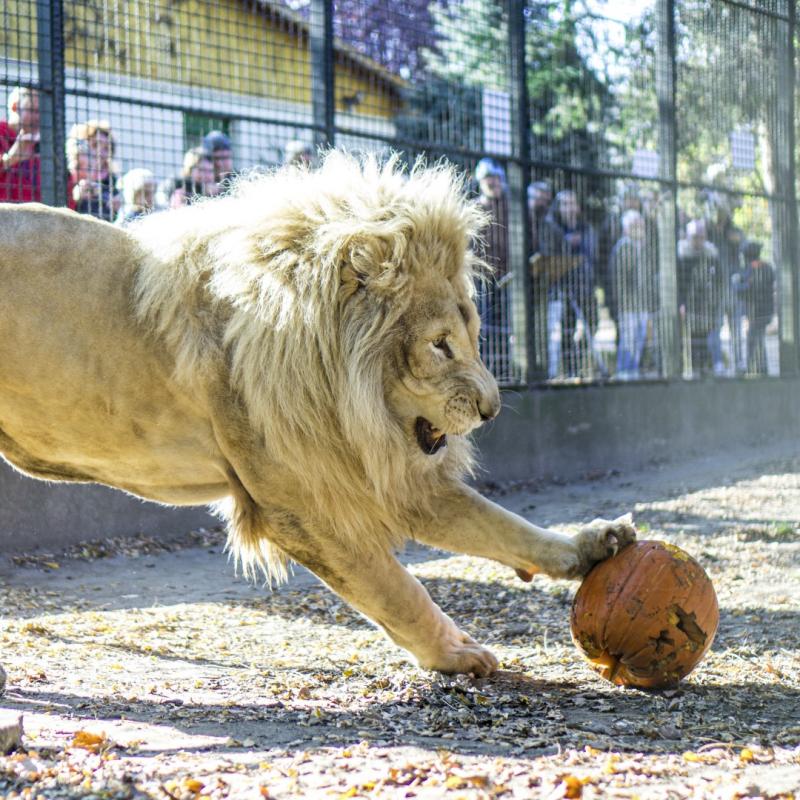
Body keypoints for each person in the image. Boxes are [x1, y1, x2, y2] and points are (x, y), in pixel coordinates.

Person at [539, 189, 600, 379]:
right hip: (564, 288)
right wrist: (567, 243)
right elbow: (549, 256)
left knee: (592, 325)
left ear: (578, 206)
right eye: (564, 204)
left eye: (572, 203)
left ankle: (578, 359)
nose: (569, 208)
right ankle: (570, 370)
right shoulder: (552, 227)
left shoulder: (586, 228)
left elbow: (593, 256)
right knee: (567, 329)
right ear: (559, 207)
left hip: (586, 286)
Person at [473, 158, 512, 379]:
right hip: (484, 280)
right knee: (484, 327)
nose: (492, 183)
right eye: (488, 179)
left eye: (495, 178)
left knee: (505, 325)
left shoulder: (510, 208)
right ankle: (485, 371)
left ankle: (505, 370)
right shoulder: (476, 209)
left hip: (508, 278)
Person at [609, 209, 657, 380]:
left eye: (641, 224)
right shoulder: (623, 247)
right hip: (628, 307)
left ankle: (633, 372)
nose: (640, 228)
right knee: (628, 341)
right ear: (627, 228)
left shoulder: (644, 247)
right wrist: (623, 303)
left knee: (639, 341)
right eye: (636, 225)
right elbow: (620, 281)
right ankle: (624, 373)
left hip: (643, 305)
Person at [705, 191, 745, 375]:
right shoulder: (708, 233)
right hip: (716, 289)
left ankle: (739, 362)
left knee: (737, 328)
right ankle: (718, 363)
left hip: (734, 287)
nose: (721, 214)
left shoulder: (734, 231)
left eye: (724, 211)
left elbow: (742, 243)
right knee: (715, 327)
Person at [678, 219, 723, 377]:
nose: (698, 240)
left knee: (706, 337)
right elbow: (680, 283)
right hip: (690, 304)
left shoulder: (712, 254)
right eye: (695, 237)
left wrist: (716, 301)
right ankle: (692, 368)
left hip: (707, 305)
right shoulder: (683, 256)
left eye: (701, 236)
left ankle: (705, 367)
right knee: (691, 338)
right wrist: (681, 303)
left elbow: (719, 280)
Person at [66, 120, 121, 221]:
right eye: (95, 145)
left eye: (106, 149)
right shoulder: (65, 174)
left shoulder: (111, 180)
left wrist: (117, 208)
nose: (100, 153)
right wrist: (74, 199)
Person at [735, 240, 775, 375]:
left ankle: (757, 368)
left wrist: (737, 286)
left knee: (754, 339)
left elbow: (746, 290)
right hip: (766, 310)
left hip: (755, 311)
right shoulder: (767, 267)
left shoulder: (751, 269)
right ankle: (760, 368)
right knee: (758, 338)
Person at [0, 87, 40, 202]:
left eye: (42, 112)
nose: (38, 117)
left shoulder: (42, 146)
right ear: (15, 107)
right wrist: (9, 160)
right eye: (33, 110)